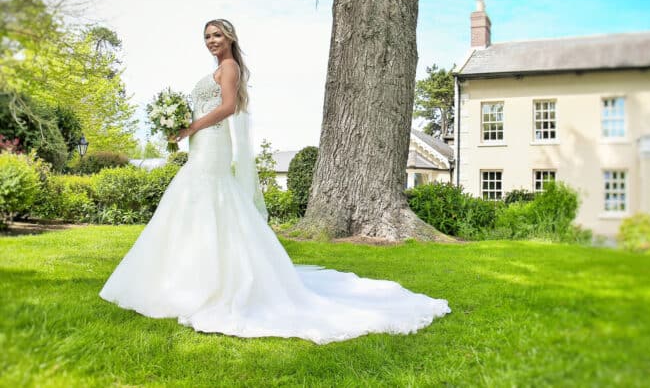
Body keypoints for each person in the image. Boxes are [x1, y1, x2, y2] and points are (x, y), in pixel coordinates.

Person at [99, 19, 450, 344]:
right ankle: (185, 276)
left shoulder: (230, 67)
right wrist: (179, 125)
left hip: (213, 141)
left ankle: (215, 281)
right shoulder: (217, 69)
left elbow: (227, 107)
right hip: (202, 142)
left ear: (230, 38)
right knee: (194, 199)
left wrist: (192, 126)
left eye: (216, 35)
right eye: (206, 36)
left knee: (209, 194)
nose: (211, 41)